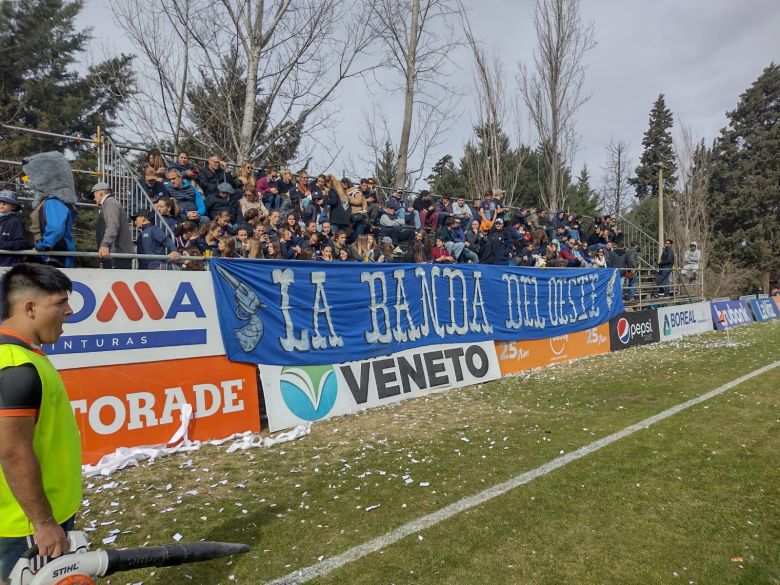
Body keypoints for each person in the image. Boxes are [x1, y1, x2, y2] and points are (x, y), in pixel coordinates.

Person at [0, 264, 82, 583]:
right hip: (23, 528)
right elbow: (13, 452)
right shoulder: (15, 367)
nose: (69, 311)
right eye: (60, 303)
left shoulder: (27, 356)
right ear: (30, 308)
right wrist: (44, 523)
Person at [23, 152, 77, 268]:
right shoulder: (52, 202)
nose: (28, 182)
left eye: (29, 178)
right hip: (50, 256)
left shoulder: (53, 202)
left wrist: (42, 246)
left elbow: (56, 228)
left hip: (52, 257)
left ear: (45, 178)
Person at [92, 182, 133, 269]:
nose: (94, 199)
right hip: (116, 254)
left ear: (100, 193)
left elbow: (112, 226)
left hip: (116, 255)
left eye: (94, 195)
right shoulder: (111, 203)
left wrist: (105, 244)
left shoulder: (110, 204)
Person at [0, 191, 28, 267]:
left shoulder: (16, 222)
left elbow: (22, 243)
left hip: (7, 264)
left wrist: (2, 244)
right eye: (0, 202)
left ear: (14, 206)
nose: (2, 204)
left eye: (6, 202)